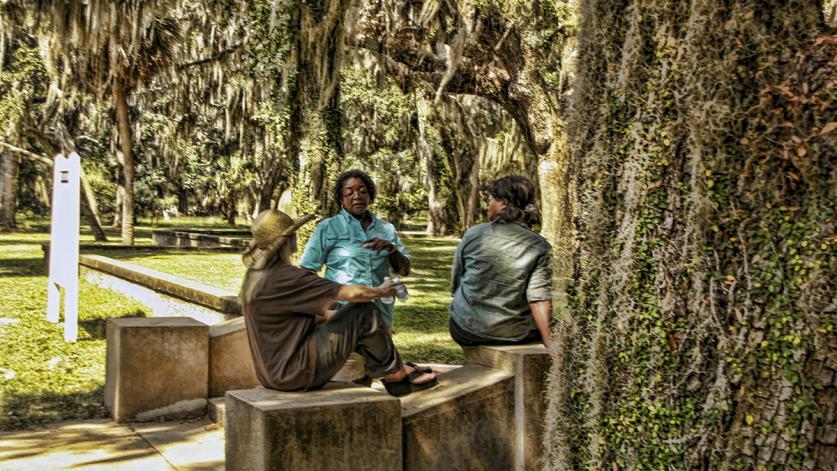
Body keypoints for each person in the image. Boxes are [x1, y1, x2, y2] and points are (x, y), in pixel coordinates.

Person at [239, 209, 436, 396]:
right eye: (294, 233)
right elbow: (350, 293)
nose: (296, 236)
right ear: (286, 240)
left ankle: (392, 368)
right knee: (363, 311)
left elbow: (298, 315)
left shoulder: (256, 276)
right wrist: (381, 291)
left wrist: (331, 315)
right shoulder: (287, 277)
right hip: (295, 374)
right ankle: (397, 376)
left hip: (271, 375)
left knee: (345, 315)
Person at [448, 175, 553, 348]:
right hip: (515, 333)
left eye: (491, 199)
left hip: (466, 330)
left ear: (503, 203)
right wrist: (550, 342)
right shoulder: (540, 246)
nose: (488, 204)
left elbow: (456, 281)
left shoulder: (474, 234)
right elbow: (539, 298)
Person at [299, 170, 410, 329]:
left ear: (370, 196)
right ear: (341, 199)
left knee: (381, 354)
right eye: (349, 193)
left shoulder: (386, 229)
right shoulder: (328, 228)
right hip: (343, 317)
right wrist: (327, 306)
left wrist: (392, 250)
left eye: (362, 191)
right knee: (349, 355)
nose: (357, 196)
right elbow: (307, 272)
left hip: (380, 316)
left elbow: (404, 270)